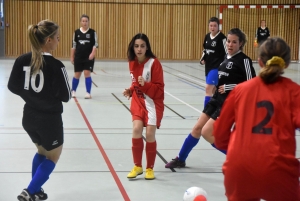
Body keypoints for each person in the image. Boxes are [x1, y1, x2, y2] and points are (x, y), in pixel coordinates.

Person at [214, 37, 300, 201]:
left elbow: (219, 136)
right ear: (287, 64)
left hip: (239, 168)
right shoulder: (294, 92)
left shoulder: (240, 90)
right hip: (279, 169)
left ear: (259, 62)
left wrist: (237, 150)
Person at [165, 28, 256, 168]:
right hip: (216, 100)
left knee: (206, 132)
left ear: (241, 43)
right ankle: (180, 159)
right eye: (229, 42)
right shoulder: (226, 59)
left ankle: (238, 159)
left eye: (234, 42)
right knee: (197, 128)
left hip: (228, 104)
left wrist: (229, 87)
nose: (230, 45)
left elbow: (252, 85)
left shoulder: (244, 61)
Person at [8, 20, 71, 201]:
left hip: (29, 117)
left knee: (41, 152)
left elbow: (13, 86)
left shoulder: (22, 59)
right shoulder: (56, 66)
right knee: (53, 157)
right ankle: (29, 191)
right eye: (58, 38)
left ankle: (36, 190)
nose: (59, 41)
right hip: (49, 120)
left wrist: (31, 98)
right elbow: (66, 96)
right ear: (49, 40)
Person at [123, 33, 164, 180]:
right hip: (138, 101)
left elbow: (159, 90)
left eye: (142, 46)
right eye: (136, 46)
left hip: (153, 102)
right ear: (132, 48)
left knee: (150, 134)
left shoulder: (154, 63)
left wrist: (144, 85)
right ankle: (138, 166)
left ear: (147, 47)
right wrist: (131, 90)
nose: (139, 49)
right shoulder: (132, 62)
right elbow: (135, 83)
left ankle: (149, 168)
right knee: (136, 129)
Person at [200, 17, 228, 107]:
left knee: (208, 89)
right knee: (214, 91)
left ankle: (206, 113)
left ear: (218, 26)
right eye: (211, 26)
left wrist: (223, 65)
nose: (212, 28)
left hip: (216, 67)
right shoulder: (207, 36)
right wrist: (202, 59)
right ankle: (216, 110)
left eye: (214, 26)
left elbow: (227, 53)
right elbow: (205, 50)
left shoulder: (222, 38)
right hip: (208, 67)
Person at [70, 14, 98, 99]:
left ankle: (88, 93)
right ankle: (73, 91)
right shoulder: (76, 32)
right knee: (77, 74)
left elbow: (95, 44)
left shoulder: (92, 32)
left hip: (88, 57)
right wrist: (72, 57)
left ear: (88, 22)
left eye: (86, 21)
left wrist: (92, 53)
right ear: (80, 22)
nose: (85, 22)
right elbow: (74, 45)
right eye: (83, 21)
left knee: (87, 73)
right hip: (78, 57)